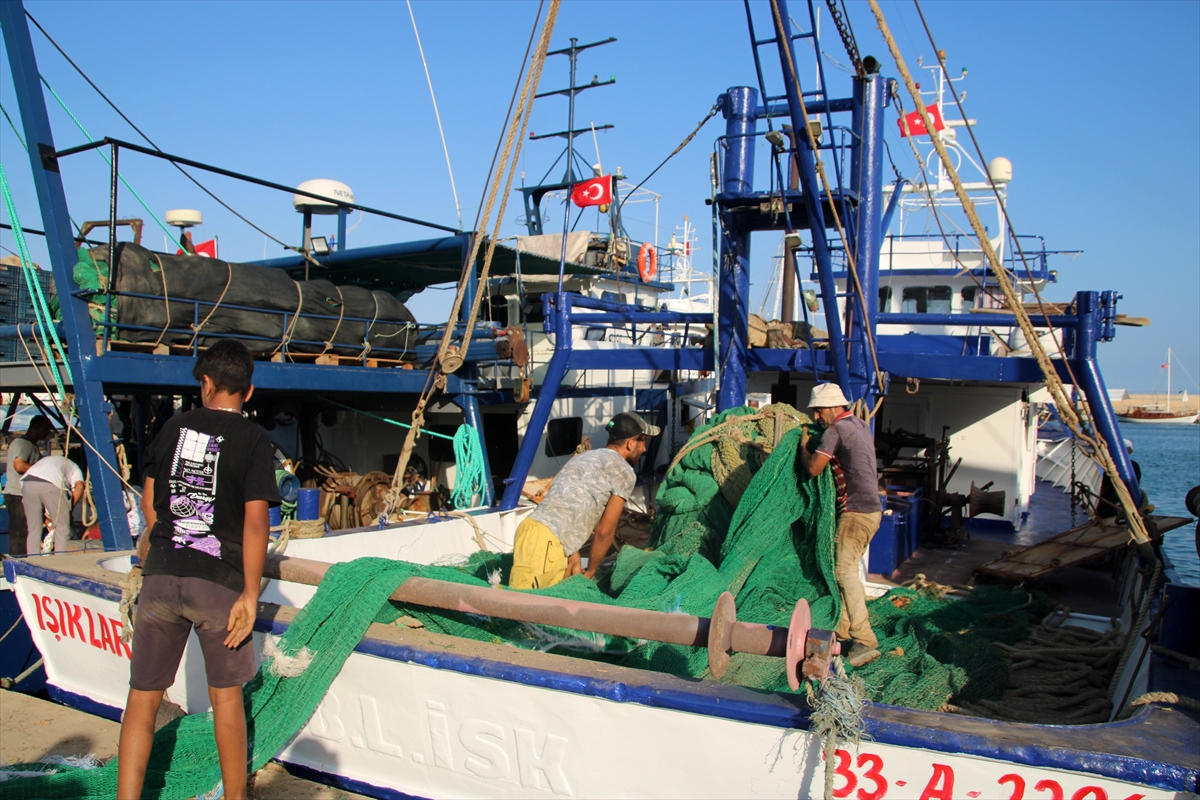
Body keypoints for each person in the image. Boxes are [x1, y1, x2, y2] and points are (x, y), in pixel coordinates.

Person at [117, 340, 280, 800]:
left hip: (162, 578)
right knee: (225, 699)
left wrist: (170, 549)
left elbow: (150, 505)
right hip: (219, 586)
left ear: (204, 384)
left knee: (142, 701)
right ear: (248, 392)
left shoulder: (172, 427)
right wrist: (249, 595)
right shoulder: (254, 440)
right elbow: (255, 522)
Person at [509, 412, 660, 589]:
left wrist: (571, 551)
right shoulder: (624, 472)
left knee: (523, 604)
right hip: (548, 545)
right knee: (529, 610)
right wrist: (590, 572)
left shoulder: (583, 457)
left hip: (530, 530)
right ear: (630, 443)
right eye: (644, 443)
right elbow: (605, 531)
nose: (644, 450)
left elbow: (562, 503)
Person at [796, 383, 883, 668]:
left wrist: (804, 449)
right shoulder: (859, 425)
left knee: (843, 570)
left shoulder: (836, 431)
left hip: (856, 513)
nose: (817, 417)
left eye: (819, 411)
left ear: (833, 408)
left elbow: (813, 470)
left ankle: (865, 639)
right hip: (873, 512)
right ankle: (843, 633)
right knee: (843, 570)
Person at [4, 415, 53, 556]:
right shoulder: (22, 444)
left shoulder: (31, 446)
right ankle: (17, 563)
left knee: (29, 532)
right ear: (35, 427)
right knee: (19, 534)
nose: (47, 433)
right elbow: (19, 465)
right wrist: (43, 470)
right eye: (45, 429)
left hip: (28, 496)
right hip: (18, 495)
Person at [21, 453, 85, 555]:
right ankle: (60, 561)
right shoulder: (75, 468)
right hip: (51, 483)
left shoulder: (48, 461)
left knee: (33, 528)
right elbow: (80, 487)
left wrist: (49, 522)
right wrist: (69, 510)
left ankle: (33, 561)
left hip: (27, 482)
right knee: (62, 528)